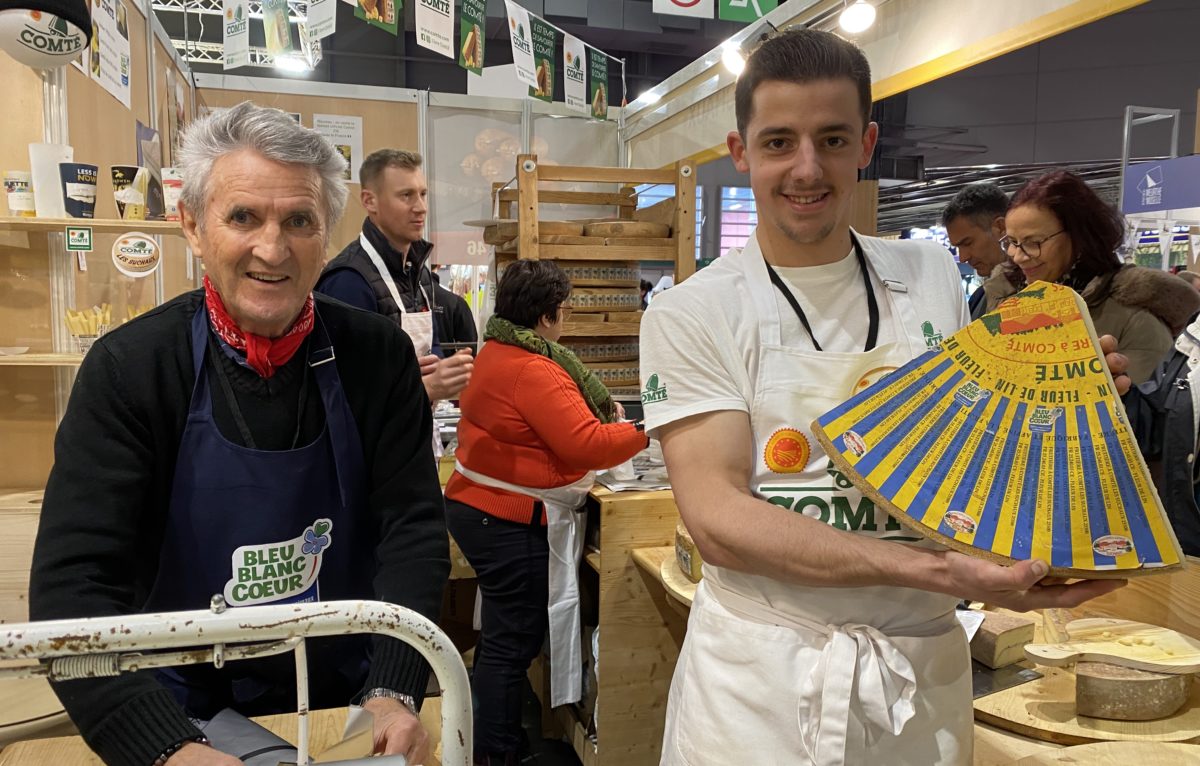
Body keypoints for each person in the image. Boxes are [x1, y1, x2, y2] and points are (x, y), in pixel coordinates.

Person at [638, 30, 1129, 766]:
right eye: (778, 143)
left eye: (831, 139)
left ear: (865, 143)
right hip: (761, 690)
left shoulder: (930, 274)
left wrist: (1058, 420)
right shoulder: (692, 311)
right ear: (740, 152)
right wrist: (940, 573)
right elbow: (720, 521)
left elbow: (964, 463)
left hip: (917, 685)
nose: (807, 169)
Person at [28, 102, 449, 766]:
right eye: (243, 217)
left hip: (347, 702)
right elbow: (75, 588)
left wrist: (395, 687)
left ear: (326, 228)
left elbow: (413, 530)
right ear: (193, 226)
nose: (273, 249)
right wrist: (161, 746)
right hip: (177, 706)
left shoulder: (377, 358)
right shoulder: (131, 369)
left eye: (299, 221)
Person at [444, 260, 647, 766]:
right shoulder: (533, 369)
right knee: (513, 642)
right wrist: (648, 431)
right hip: (507, 516)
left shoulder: (498, 350)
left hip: (480, 507)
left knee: (501, 637)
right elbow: (586, 444)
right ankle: (499, 751)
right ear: (550, 314)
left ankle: (492, 742)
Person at [998, 170, 1200, 383]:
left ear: (1079, 235)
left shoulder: (1137, 321)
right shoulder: (1011, 303)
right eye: (1012, 242)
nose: (1018, 256)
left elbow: (1142, 410)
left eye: (1033, 242)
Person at [317, 148, 473, 401]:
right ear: (369, 201)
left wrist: (446, 373)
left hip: (419, 430)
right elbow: (345, 392)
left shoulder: (417, 272)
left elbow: (429, 356)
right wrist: (425, 388)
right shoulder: (348, 281)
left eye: (423, 194)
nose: (421, 208)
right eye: (406, 196)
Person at [941, 182, 1015, 319]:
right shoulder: (979, 298)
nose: (963, 258)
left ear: (1001, 228)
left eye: (968, 243)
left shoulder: (1042, 293)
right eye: (958, 247)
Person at [431, 270, 479, 350]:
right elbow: (470, 346)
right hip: (447, 360)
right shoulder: (455, 302)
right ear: (438, 265)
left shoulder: (455, 302)